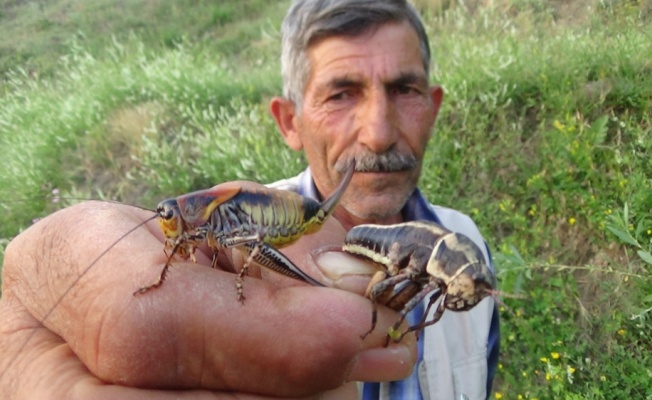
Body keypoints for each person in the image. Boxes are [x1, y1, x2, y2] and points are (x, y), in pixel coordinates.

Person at [0, 0, 498, 399]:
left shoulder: (467, 248)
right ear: (288, 121)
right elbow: (213, 244)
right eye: (341, 94)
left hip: (279, 226)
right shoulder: (220, 261)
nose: (377, 133)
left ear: (433, 108)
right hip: (270, 232)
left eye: (403, 88)